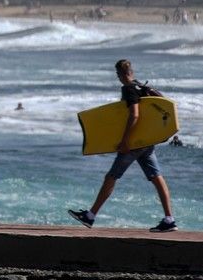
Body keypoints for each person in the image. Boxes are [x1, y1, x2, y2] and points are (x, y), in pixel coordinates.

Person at [68, 59, 177, 232]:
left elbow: (134, 115)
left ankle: (90, 216)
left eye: (118, 74)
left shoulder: (128, 89)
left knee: (111, 176)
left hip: (133, 144)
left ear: (120, 74)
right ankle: (169, 219)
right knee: (157, 177)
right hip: (146, 142)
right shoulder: (141, 86)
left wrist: (126, 140)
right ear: (132, 72)